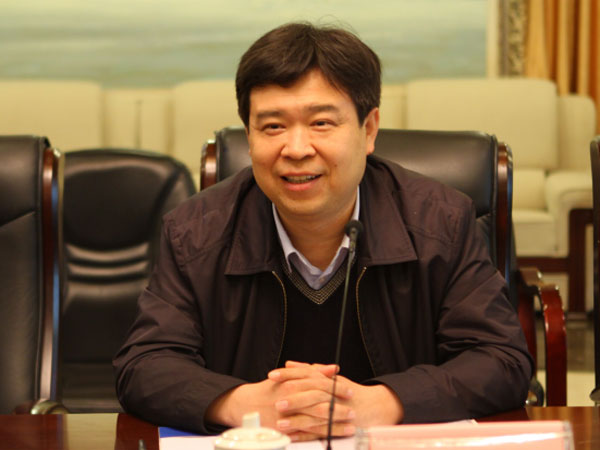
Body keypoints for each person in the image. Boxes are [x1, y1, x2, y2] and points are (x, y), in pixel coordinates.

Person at [114, 22, 532, 441]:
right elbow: (144, 365)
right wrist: (243, 404)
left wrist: (385, 402)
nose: (296, 149)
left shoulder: (441, 221)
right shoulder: (194, 232)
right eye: (273, 126)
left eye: (321, 123)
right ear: (249, 136)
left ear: (369, 130)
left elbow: (501, 359)